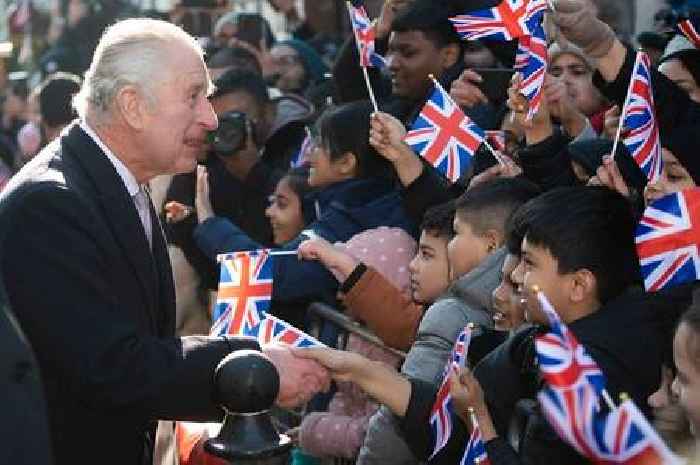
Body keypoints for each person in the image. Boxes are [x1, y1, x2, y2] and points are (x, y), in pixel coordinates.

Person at [0, 19, 329, 465]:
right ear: (133, 105)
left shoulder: (112, 183)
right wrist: (249, 366)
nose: (210, 118)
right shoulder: (51, 204)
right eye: (193, 96)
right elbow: (113, 367)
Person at [195, 100, 415, 307]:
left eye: (319, 144)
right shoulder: (366, 201)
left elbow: (275, 273)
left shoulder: (353, 216)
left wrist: (208, 222)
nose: (309, 151)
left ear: (346, 163)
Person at [298, 200, 455, 351]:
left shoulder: (454, 324)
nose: (412, 265)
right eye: (418, 254)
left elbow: (401, 323)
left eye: (427, 255)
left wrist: (342, 263)